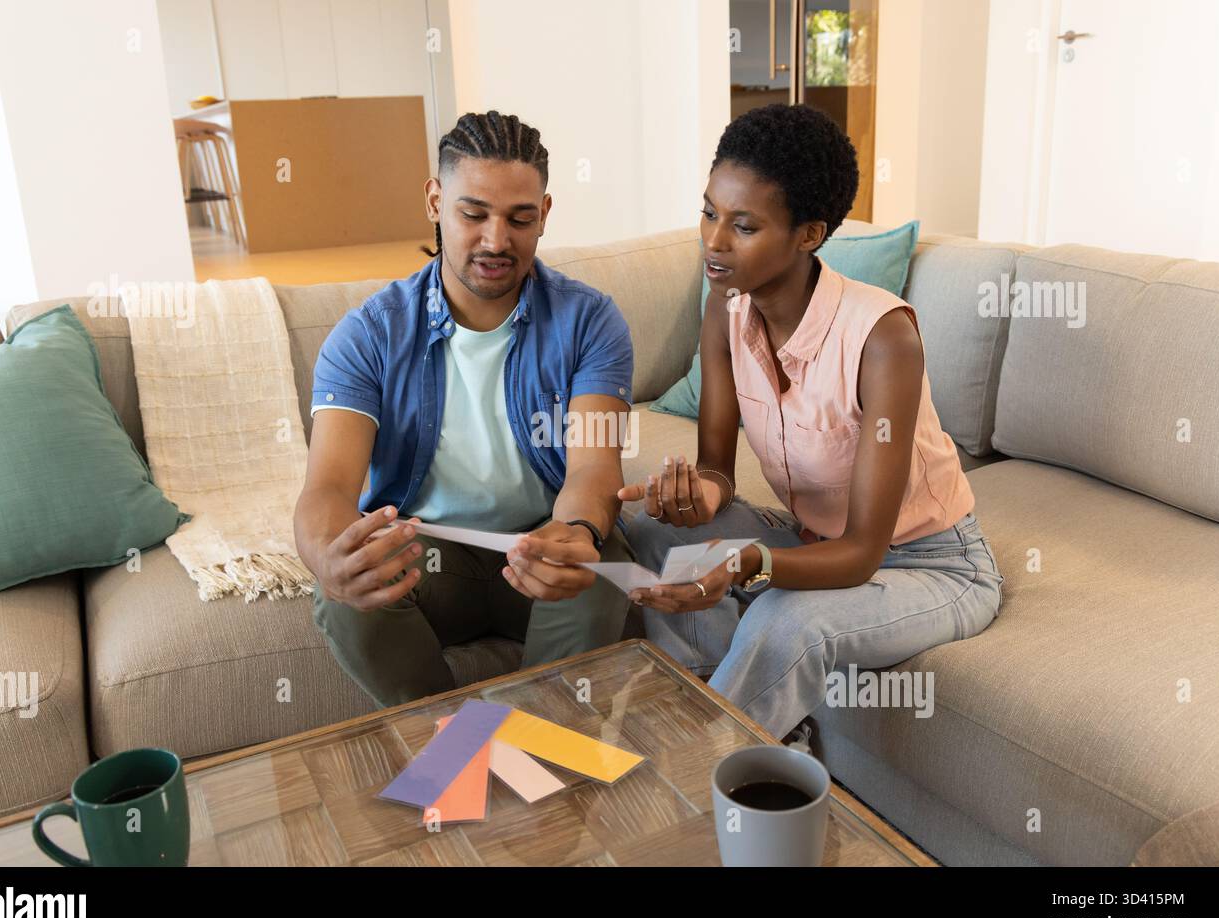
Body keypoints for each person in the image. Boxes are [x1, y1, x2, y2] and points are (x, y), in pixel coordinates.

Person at [618, 104, 1003, 738]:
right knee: (656, 533)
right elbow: (718, 471)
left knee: (784, 621)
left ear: (808, 234)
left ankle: (695, 770)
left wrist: (743, 562)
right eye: (710, 212)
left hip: (928, 565)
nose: (713, 241)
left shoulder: (882, 338)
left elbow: (859, 556)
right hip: (816, 543)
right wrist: (692, 498)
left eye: (744, 225)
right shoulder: (725, 308)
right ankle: (746, 720)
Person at [295, 110, 634, 708]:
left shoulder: (590, 321)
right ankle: (450, 747)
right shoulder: (368, 335)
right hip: (427, 558)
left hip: (538, 544)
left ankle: (541, 750)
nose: (496, 241)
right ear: (434, 200)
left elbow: (593, 471)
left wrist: (577, 532)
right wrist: (329, 557)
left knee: (598, 576)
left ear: (545, 214)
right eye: (473, 214)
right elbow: (327, 488)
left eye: (520, 218)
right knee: (342, 597)